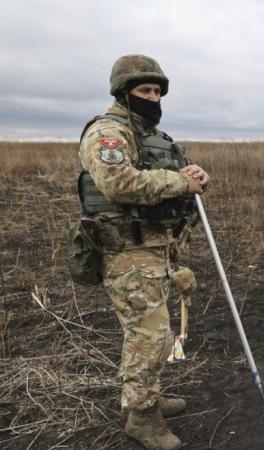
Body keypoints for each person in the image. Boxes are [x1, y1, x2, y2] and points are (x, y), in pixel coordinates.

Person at [77, 54, 208, 450]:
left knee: (157, 334)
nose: (152, 96)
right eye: (144, 90)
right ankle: (141, 417)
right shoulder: (108, 133)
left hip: (156, 248)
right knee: (146, 338)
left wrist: (197, 177)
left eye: (156, 90)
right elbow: (118, 183)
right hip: (127, 253)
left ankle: (149, 396)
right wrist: (178, 182)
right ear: (123, 92)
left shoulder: (154, 136)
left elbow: (179, 177)